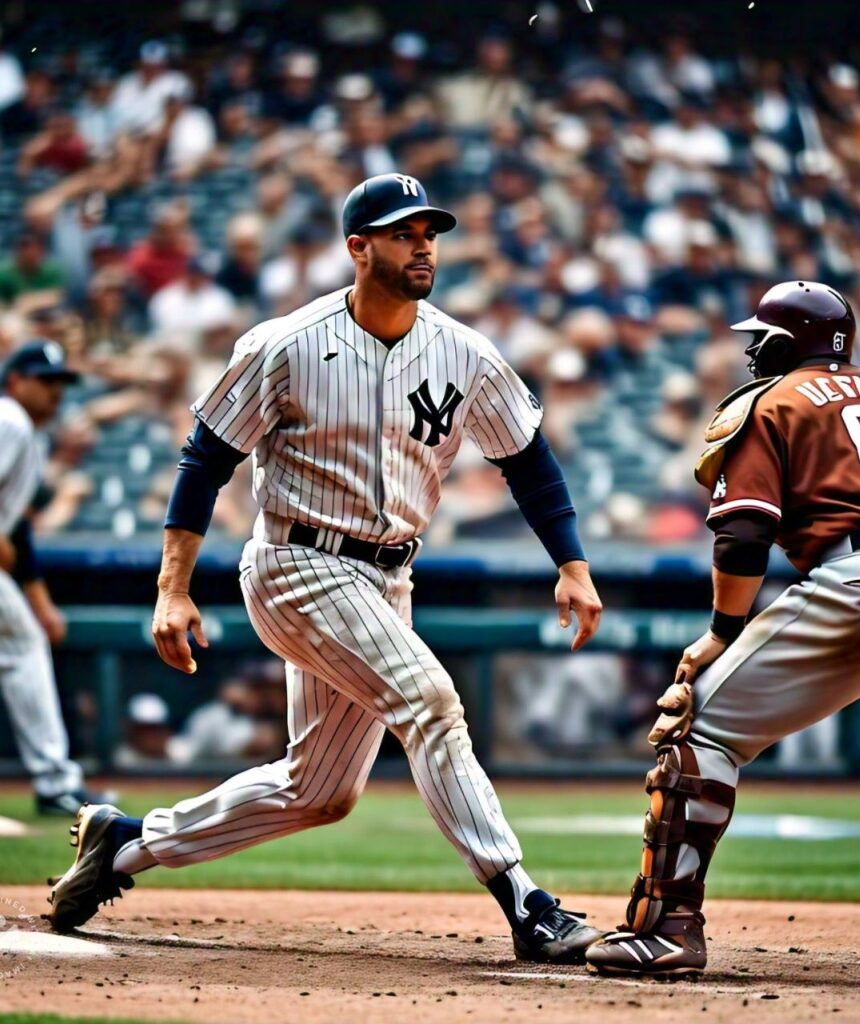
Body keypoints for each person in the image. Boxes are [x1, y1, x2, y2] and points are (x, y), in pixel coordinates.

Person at [46, 173, 607, 963]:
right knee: (430, 700)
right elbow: (205, 460)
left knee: (320, 790)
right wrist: (171, 588)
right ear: (358, 247)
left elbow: (528, 459)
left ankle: (127, 845)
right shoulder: (283, 344)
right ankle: (526, 902)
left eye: (429, 232)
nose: (422, 244)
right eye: (403, 231)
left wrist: (572, 565)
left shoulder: (463, 351)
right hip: (295, 563)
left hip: (386, 579)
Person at [586, 281, 860, 977]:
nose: (751, 351)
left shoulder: (768, 401)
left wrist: (721, 632)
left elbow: (744, 534)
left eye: (760, 339)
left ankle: (666, 928)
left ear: (785, 342)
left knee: (699, 731)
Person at [0, 341, 90, 815]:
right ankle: (55, 783)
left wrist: (40, 602)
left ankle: (55, 781)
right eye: (44, 380)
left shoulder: (27, 434)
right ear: (16, 380)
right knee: (22, 645)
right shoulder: (10, 419)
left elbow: (17, 530)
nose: (55, 391)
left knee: (24, 639)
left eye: (61, 383)